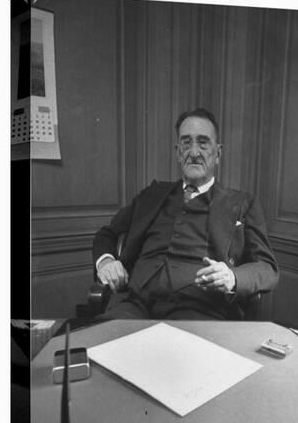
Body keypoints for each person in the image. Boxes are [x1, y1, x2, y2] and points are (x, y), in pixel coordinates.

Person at [92, 108, 278, 320]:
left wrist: (232, 277)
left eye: (203, 142)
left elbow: (267, 268)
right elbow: (106, 234)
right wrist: (107, 262)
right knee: (101, 344)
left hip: (200, 309)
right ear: (178, 152)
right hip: (134, 304)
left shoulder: (243, 203)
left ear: (217, 154)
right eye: (186, 142)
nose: (194, 152)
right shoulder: (152, 195)